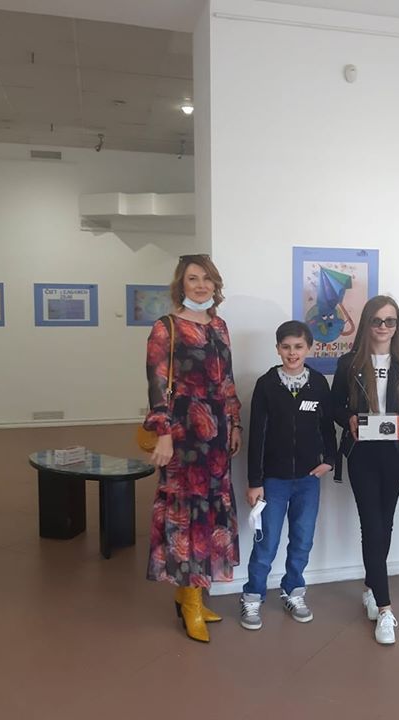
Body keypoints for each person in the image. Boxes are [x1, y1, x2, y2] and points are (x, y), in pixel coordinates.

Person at [144, 254, 242, 644]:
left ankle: (193, 594)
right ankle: (189, 602)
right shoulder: (165, 328)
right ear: (180, 285)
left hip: (215, 436)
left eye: (207, 279)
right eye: (193, 278)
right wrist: (163, 433)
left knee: (210, 515)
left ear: (215, 285)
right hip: (183, 434)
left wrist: (234, 422)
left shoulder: (219, 326)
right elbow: (157, 383)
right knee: (185, 517)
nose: (201, 285)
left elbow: (227, 380)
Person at [331, 296, 399, 645]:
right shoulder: (349, 363)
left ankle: (370, 587)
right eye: (377, 321)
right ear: (366, 323)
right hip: (362, 454)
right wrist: (349, 419)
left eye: (390, 321)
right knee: (372, 525)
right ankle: (384, 608)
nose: (383, 327)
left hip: (394, 453)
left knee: (386, 523)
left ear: (397, 326)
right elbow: (334, 407)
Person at [239, 320, 337, 631]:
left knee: (302, 540)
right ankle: (252, 595)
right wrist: (255, 481)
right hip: (273, 482)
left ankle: (293, 590)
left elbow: (326, 426)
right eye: (286, 347)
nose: (292, 353)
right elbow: (257, 435)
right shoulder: (267, 385)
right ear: (277, 348)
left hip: (308, 480)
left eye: (298, 347)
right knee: (266, 543)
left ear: (309, 348)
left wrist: (330, 459)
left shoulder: (318, 383)